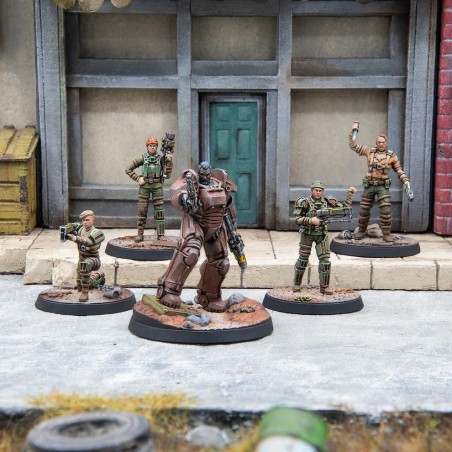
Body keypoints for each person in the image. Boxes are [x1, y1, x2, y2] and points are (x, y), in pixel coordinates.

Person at [157, 162, 244, 313]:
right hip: (196, 221)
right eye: (203, 174)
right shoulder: (192, 182)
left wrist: (233, 230)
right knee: (190, 253)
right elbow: (177, 196)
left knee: (221, 262)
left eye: (207, 174)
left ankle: (209, 296)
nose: (205, 176)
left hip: (216, 225)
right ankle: (168, 289)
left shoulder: (220, 181)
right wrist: (185, 199)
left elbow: (228, 204)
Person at [348, 122, 413, 242]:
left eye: (383, 142)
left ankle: (386, 234)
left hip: (383, 187)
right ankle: (361, 230)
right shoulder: (369, 152)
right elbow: (354, 146)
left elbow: (399, 170)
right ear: (376, 143)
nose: (381, 144)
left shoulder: (392, 156)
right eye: (379, 142)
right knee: (364, 210)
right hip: (369, 185)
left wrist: (406, 181)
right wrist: (352, 132)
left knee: (386, 210)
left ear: (386, 143)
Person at [293, 182, 355, 295]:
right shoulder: (304, 202)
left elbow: (343, 209)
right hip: (307, 234)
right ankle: (297, 284)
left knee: (325, 262)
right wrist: (311, 220)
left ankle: (324, 287)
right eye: (316, 190)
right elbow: (297, 219)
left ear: (323, 191)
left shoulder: (327, 202)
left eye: (320, 190)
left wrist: (350, 195)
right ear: (311, 190)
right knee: (302, 260)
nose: (318, 192)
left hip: (321, 235)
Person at [125, 134, 174, 242]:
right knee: (142, 211)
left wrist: (169, 163)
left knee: (159, 211)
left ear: (157, 147)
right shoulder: (143, 158)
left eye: (154, 145)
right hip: (145, 186)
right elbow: (128, 169)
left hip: (157, 186)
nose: (152, 147)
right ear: (147, 146)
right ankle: (140, 234)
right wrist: (138, 178)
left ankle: (160, 234)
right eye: (150, 145)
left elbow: (168, 175)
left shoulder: (161, 159)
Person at [65, 210, 105, 302]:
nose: (85, 222)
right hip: (82, 258)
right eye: (83, 220)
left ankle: (85, 292)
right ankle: (96, 278)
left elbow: (88, 241)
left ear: (93, 220)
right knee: (79, 279)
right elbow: (73, 226)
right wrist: (68, 229)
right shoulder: (81, 229)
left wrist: (73, 238)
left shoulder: (98, 233)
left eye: (87, 220)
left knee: (85, 266)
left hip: (93, 259)